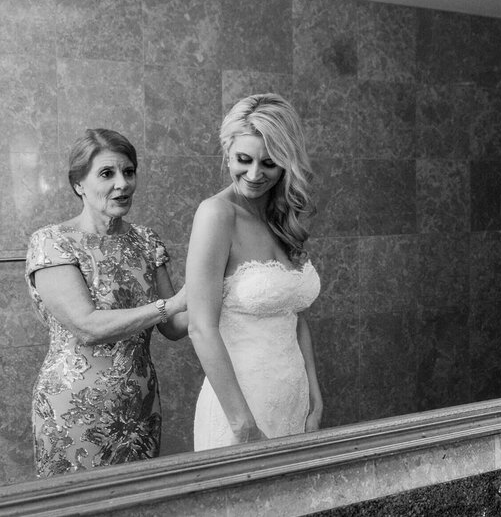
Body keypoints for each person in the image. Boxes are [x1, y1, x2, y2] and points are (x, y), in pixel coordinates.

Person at [25, 129, 188, 478]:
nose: (123, 183)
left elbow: (174, 327)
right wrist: (169, 305)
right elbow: (87, 327)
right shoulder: (53, 241)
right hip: (73, 406)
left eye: (129, 172)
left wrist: (223, 284)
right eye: (107, 173)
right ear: (79, 184)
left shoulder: (145, 239)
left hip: (139, 404)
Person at [188, 93, 322, 450]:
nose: (254, 174)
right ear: (227, 152)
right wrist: (242, 423)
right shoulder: (216, 215)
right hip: (240, 410)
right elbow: (201, 327)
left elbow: (295, 316)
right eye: (243, 160)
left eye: (269, 163)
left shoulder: (281, 217)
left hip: (293, 401)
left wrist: (314, 393)